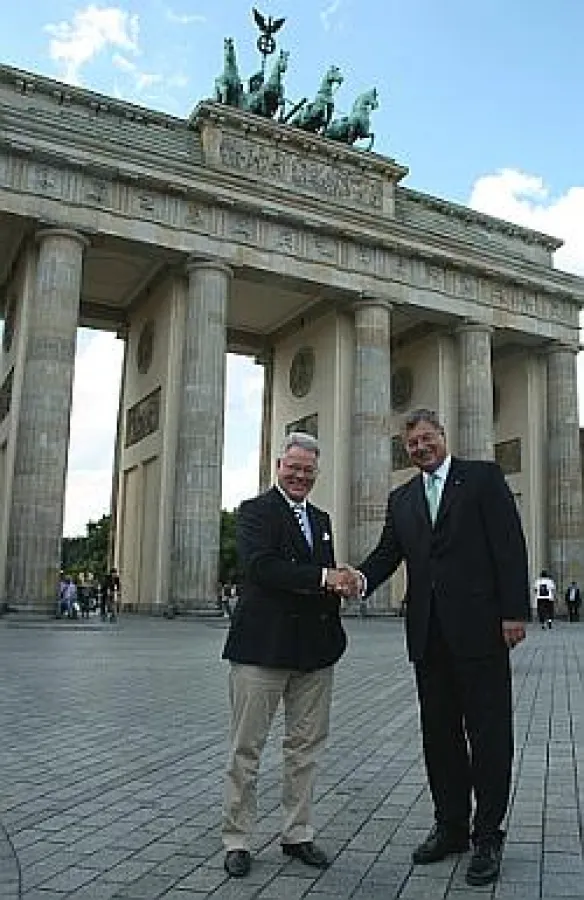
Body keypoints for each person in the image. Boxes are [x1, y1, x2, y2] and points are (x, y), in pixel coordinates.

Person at [344, 408, 530, 888]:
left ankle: (488, 835)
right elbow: (389, 553)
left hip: (481, 630)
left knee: (489, 736)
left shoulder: (483, 479)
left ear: (443, 437)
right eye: (412, 444)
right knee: (440, 738)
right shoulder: (401, 498)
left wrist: (514, 611)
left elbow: (509, 544)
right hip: (428, 635)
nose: (420, 447)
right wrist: (359, 578)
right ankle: (451, 827)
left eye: (427, 439)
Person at [221, 432, 348, 878]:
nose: (299, 475)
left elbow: (322, 580)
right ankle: (238, 839)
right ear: (278, 466)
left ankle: (298, 834)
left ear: (316, 472)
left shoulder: (323, 518)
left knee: (305, 748)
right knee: (247, 749)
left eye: (308, 469)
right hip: (262, 649)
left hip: (314, 653)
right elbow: (261, 567)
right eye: (292, 467)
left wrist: (342, 585)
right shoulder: (255, 512)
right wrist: (324, 577)